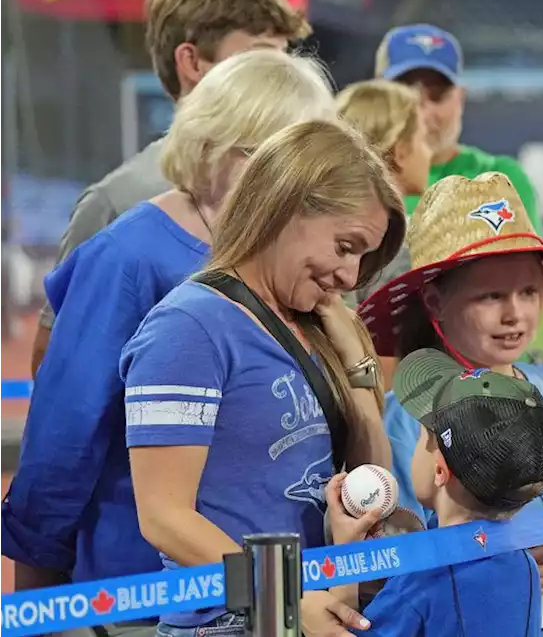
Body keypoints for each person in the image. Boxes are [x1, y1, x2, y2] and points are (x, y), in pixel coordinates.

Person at [0, 47, 337, 627]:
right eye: (279, 162)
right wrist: (39, 607)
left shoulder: (283, 258)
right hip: (146, 598)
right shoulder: (127, 256)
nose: (296, 189)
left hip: (277, 593)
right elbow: (64, 437)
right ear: (219, 148)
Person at [121, 118, 404, 636]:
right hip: (229, 624)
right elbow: (163, 516)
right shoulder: (189, 326)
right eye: (345, 246)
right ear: (286, 206)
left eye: (363, 258)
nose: (350, 276)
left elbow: (369, 487)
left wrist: (358, 371)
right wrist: (287, 596)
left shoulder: (314, 324)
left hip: (313, 611)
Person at [356, 172, 543, 636]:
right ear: (436, 301)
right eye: (491, 296)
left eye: (528, 292)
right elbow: (395, 563)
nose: (515, 314)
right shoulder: (413, 419)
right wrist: (504, 566)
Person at [28, 0, 311, 376]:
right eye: (260, 56)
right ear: (192, 61)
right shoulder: (116, 204)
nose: (281, 76)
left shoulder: (302, 187)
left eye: (284, 56)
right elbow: (57, 369)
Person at [330, 348, 543, 636]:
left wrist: (346, 554)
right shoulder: (524, 565)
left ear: (440, 470)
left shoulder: (421, 581)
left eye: (424, 435)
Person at [374, 23, 543, 233]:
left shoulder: (501, 180)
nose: (423, 113)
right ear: (375, 96)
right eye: (405, 94)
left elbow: (522, 264)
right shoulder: (354, 179)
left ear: (460, 97)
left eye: (437, 95)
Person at [335, 79, 432, 319]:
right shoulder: (398, 246)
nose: (429, 152)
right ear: (400, 152)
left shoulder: (330, 231)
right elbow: (393, 352)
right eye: (423, 139)